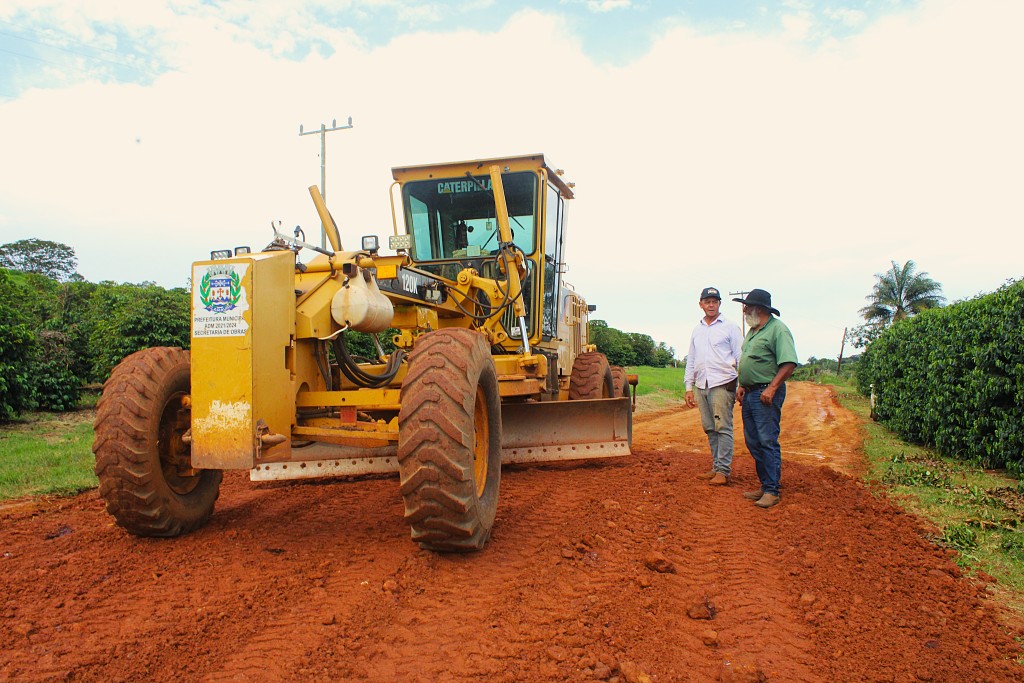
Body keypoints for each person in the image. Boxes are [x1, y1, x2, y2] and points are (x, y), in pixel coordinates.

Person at [733, 289, 798, 509]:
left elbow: (788, 363)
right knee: (753, 441)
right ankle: (765, 485)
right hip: (750, 393)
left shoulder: (778, 330)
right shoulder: (752, 332)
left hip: (766, 394)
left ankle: (772, 490)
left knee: (767, 440)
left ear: (758, 309)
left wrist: (772, 388)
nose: (744, 310)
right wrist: (742, 385)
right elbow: (749, 362)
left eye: (746, 307)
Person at [684, 286, 744, 486]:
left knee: (723, 427)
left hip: (722, 383)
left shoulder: (730, 327)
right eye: (707, 302)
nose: (711, 305)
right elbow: (691, 359)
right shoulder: (697, 330)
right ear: (700, 304)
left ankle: (723, 471)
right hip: (702, 384)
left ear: (719, 304)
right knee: (710, 427)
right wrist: (688, 387)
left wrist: (741, 383)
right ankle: (716, 466)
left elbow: (740, 357)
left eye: (714, 301)